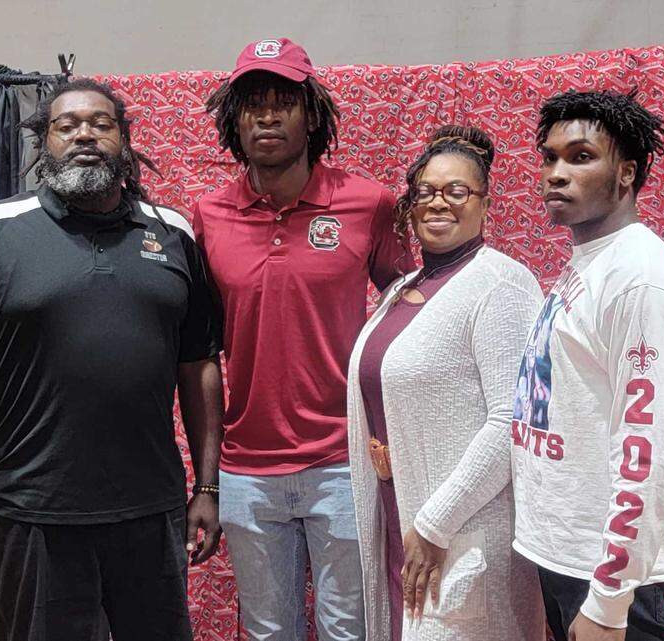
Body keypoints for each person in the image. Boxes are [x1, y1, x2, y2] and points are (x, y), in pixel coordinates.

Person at [0, 78, 224, 641]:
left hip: (150, 510)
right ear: (43, 143)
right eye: (66, 125)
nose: (85, 135)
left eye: (102, 123)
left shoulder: (172, 235)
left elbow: (200, 366)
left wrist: (208, 487)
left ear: (125, 139)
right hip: (32, 512)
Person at [193, 37, 414, 640]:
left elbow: (413, 319)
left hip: (343, 461)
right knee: (268, 633)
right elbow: (200, 355)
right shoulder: (208, 215)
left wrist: (402, 438)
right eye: (252, 104)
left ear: (311, 114)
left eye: (283, 101)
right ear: (232, 121)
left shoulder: (368, 203)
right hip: (246, 470)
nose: (267, 116)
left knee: (351, 630)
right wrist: (207, 480)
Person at [346, 125, 548, 641]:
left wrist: (435, 524)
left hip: (460, 531)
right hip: (401, 520)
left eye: (457, 191)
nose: (439, 203)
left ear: (484, 204)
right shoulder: (404, 289)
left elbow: (512, 421)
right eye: (426, 192)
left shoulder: (501, 284)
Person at [510, 89, 664, 641]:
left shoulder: (640, 279)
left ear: (626, 173)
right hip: (567, 552)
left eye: (581, 157)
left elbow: (648, 446)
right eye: (549, 157)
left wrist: (610, 600)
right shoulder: (590, 262)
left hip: (607, 575)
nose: (555, 174)